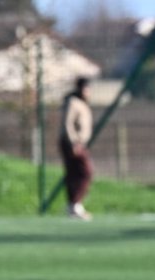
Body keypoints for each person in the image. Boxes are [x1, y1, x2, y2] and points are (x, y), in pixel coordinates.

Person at [59, 76, 94, 221]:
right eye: (86, 88)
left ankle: (72, 205)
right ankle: (75, 205)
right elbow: (68, 124)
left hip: (78, 143)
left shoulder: (82, 103)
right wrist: (74, 142)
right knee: (85, 172)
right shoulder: (73, 102)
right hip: (72, 143)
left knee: (74, 174)